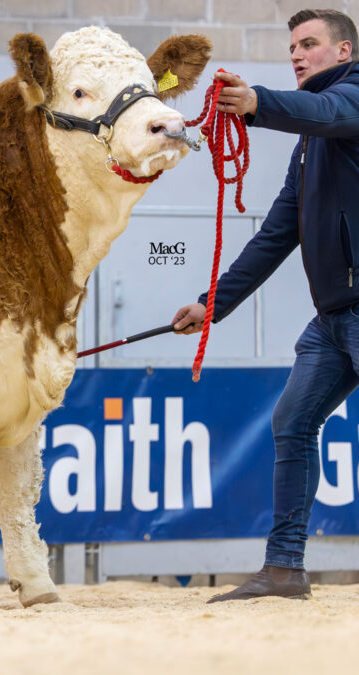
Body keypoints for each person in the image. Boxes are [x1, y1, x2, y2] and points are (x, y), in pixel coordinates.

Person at [171, 9, 359, 603]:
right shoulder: (309, 142)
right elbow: (278, 232)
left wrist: (256, 104)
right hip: (333, 319)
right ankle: (283, 570)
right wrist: (212, 304)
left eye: (310, 44)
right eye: (293, 47)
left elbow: (327, 111)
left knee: (293, 426)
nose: (297, 54)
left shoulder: (348, 101)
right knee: (292, 424)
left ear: (345, 51)